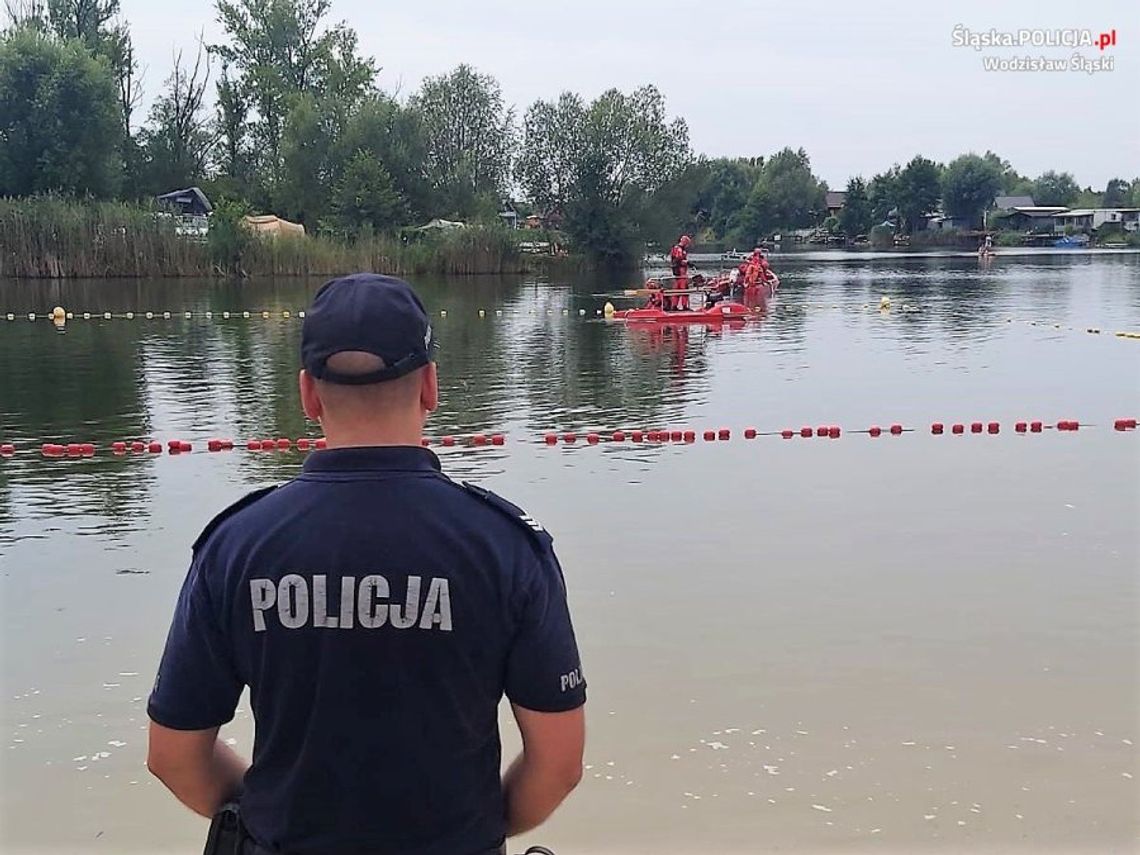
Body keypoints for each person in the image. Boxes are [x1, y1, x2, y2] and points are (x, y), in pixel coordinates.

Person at [146, 273, 587, 855]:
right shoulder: (505, 547)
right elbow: (559, 763)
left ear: (307, 394)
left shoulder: (236, 547)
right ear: (430, 386)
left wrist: (262, 815)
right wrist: (470, 828)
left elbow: (173, 754)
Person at [669, 234, 693, 311]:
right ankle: (683, 306)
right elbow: (678, 260)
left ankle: (674, 306)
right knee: (684, 289)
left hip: (679, 272)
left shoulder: (680, 249)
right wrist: (688, 263)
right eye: (687, 243)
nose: (687, 245)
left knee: (677, 289)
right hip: (680, 272)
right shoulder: (678, 249)